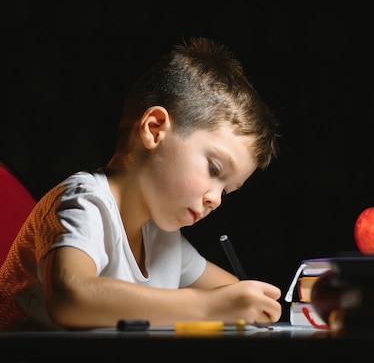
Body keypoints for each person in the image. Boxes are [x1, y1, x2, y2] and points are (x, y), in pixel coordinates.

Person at [0, 36, 282, 331]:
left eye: (226, 190)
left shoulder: (162, 238)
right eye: (214, 168)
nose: (217, 200)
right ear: (155, 129)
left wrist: (255, 303)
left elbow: (236, 295)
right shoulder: (83, 202)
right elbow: (71, 299)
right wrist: (209, 307)